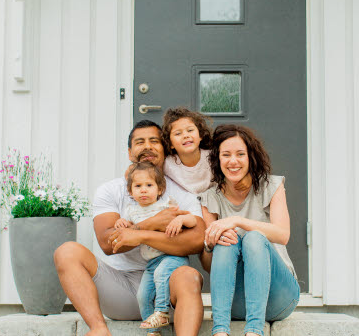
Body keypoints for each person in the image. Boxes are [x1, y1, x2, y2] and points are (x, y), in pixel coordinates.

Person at [54, 120, 205, 336]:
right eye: (139, 142)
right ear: (129, 151)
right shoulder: (110, 190)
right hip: (122, 287)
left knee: (188, 275)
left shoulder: (181, 193)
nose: (147, 146)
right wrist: (151, 224)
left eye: (154, 141)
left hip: (168, 291)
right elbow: (108, 243)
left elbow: (197, 240)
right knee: (67, 251)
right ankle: (98, 329)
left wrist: (139, 235)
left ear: (165, 149)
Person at [199, 124, 300, 336]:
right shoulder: (209, 197)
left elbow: (283, 235)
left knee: (253, 238)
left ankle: (254, 332)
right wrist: (209, 244)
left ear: (250, 157)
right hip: (235, 302)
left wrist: (237, 220)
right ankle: (220, 331)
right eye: (226, 155)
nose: (233, 161)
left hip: (278, 296)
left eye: (240, 154)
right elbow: (209, 266)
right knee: (226, 240)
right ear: (218, 159)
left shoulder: (271, 186)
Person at [114, 161, 197, 335]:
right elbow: (127, 231)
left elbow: (192, 220)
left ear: (160, 189)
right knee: (142, 296)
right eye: (138, 186)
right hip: (151, 262)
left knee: (161, 275)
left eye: (149, 185)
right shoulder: (131, 211)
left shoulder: (166, 205)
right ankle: (153, 331)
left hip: (172, 257)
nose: (143, 190)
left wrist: (180, 220)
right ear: (130, 191)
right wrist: (121, 223)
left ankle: (162, 312)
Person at [162, 106, 214, 194]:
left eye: (190, 130)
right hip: (184, 203)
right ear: (170, 144)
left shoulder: (212, 157)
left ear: (200, 135)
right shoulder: (168, 164)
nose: (185, 135)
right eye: (178, 133)